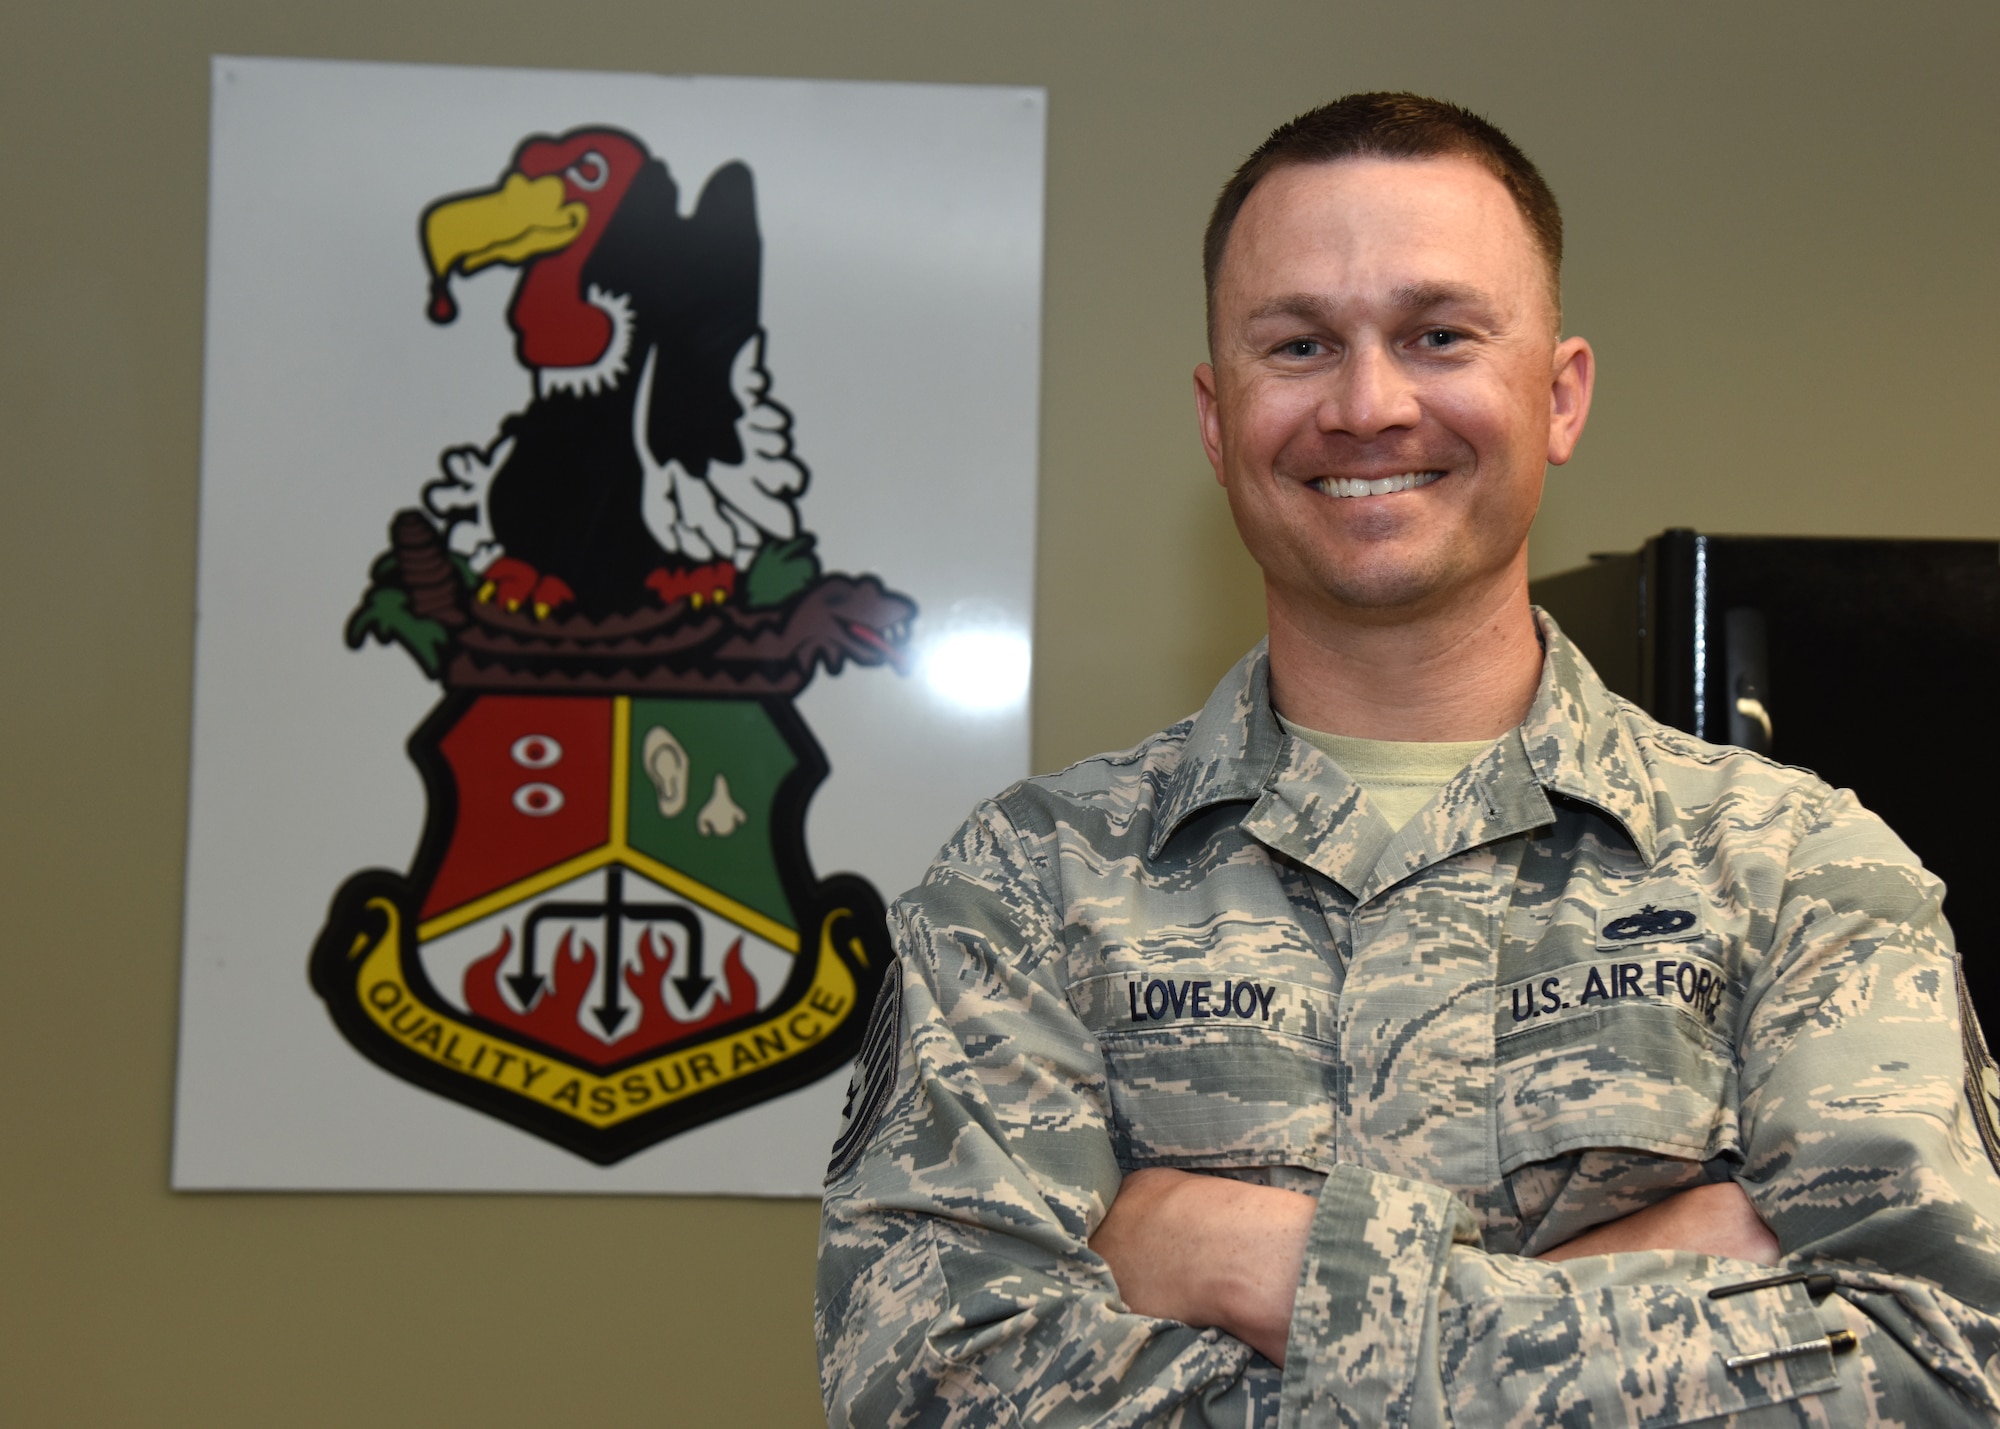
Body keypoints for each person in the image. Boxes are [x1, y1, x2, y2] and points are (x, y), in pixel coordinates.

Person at [815, 92, 2000, 1425]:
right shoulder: (1027, 890)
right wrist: (1657, 1278)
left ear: (1559, 396)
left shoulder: (1802, 874)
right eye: (1301, 343)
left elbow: (1941, 1369)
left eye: (1438, 334)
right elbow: (931, 1386)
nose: (1369, 405)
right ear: (1217, 418)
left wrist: (1256, 1265)